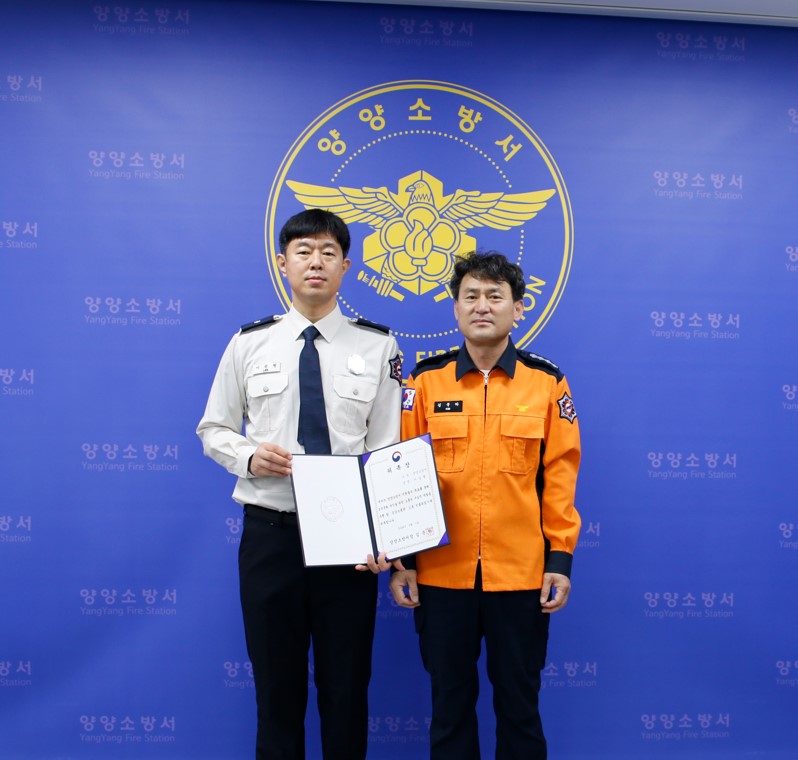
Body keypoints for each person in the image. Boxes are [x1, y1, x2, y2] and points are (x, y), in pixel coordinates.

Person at [197, 208, 402, 760]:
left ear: (346, 266)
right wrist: (249, 456)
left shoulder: (378, 347)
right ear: (283, 263)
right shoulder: (249, 344)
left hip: (349, 544)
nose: (316, 262)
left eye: (328, 252)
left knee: (346, 690)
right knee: (276, 692)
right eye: (304, 251)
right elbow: (213, 429)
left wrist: (386, 540)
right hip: (272, 535)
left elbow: (387, 451)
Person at [389, 251, 581, 760]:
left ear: (518, 309)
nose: (481, 306)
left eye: (495, 296)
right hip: (440, 575)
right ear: (455, 308)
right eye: (470, 295)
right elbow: (401, 475)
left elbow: (560, 475)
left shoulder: (546, 382)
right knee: (449, 708)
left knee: (521, 709)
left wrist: (559, 559)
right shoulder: (424, 381)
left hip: (520, 576)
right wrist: (404, 562)